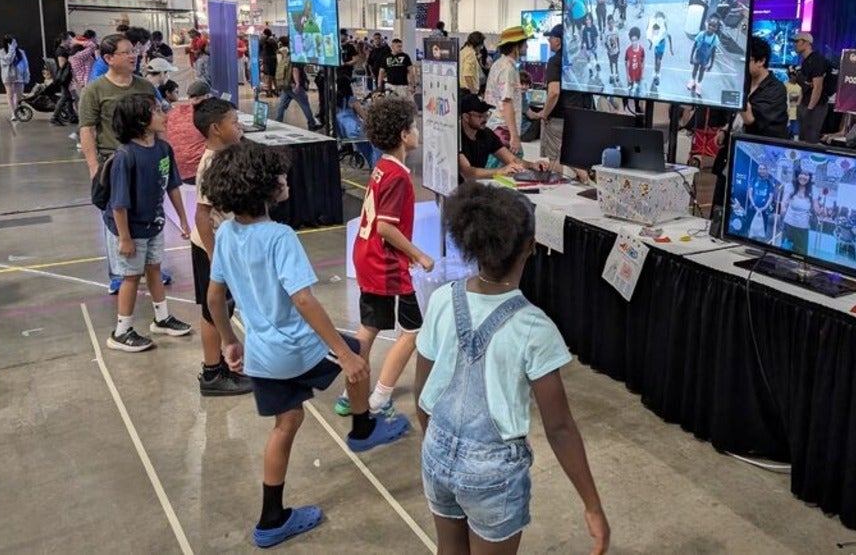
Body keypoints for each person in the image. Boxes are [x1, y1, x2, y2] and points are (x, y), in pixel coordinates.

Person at [201, 141, 409, 548]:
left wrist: (229, 341)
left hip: (261, 354)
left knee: (288, 422)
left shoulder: (225, 233)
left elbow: (213, 298)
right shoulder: (280, 237)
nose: (285, 179)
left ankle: (272, 518)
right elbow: (303, 299)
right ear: (263, 187)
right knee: (358, 356)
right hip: (299, 348)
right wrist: (345, 354)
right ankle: (363, 427)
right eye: (279, 175)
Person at [414, 182, 609, 554]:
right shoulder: (534, 327)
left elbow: (423, 391)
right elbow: (560, 427)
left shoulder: (442, 299)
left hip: (436, 451)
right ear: (530, 248)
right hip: (493, 474)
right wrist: (592, 505)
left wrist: (437, 449)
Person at [338, 97, 433, 419]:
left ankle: (352, 391)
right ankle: (379, 397)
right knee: (414, 332)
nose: (418, 131)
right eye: (414, 126)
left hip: (367, 258)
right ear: (404, 135)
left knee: (370, 325)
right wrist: (418, 254)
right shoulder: (398, 176)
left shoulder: (382, 167)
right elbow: (385, 228)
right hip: (385, 263)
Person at [103, 93, 192, 351]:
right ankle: (121, 331)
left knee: (154, 268)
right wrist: (124, 238)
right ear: (141, 121)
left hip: (153, 224)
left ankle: (162, 318)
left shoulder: (163, 149)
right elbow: (119, 204)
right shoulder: (125, 157)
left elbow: (173, 185)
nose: (164, 115)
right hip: (130, 228)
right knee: (131, 277)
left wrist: (183, 220)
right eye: (157, 111)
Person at [79, 34, 163, 295]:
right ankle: (119, 273)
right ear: (108, 58)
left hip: (146, 163)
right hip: (114, 163)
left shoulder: (145, 87)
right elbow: (87, 129)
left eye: (133, 51)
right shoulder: (94, 90)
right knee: (117, 220)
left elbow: (159, 121)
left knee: (150, 215)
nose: (132, 56)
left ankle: (151, 265)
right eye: (126, 52)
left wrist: (163, 154)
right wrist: (94, 166)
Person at [189, 97, 253, 396]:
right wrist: (216, 258)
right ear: (216, 129)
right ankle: (213, 372)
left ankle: (226, 365)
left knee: (224, 307)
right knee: (212, 310)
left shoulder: (227, 155)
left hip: (226, 247)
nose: (238, 125)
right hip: (211, 249)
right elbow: (202, 215)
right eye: (233, 122)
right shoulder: (210, 165)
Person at [528, 25, 593, 176]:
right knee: (574, 156)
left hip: (559, 118)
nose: (549, 42)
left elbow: (553, 92)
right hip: (581, 117)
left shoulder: (555, 61)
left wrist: (544, 113)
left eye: (550, 38)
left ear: (558, 41)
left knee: (556, 161)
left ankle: (581, 177)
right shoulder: (580, 58)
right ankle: (585, 176)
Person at [459, 93, 548, 182]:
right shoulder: (456, 139)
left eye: (487, 114)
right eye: (480, 116)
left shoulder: (486, 134)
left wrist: (532, 165)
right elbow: (467, 172)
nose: (485, 119)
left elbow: (511, 159)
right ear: (466, 117)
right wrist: (501, 171)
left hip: (471, 186)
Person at [484, 26, 528, 157]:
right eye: (525, 44)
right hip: (504, 128)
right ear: (516, 47)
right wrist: (514, 136)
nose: (527, 47)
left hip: (495, 124)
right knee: (513, 166)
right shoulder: (508, 69)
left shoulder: (499, 64)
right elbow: (507, 103)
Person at [741, 37, 790, 139]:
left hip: (763, 146)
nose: (742, 64)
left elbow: (753, 121)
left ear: (761, 61)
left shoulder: (776, 89)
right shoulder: (744, 82)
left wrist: (739, 99)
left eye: (746, 59)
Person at [165, 79, 213, 183]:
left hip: (174, 171)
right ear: (207, 97)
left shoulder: (173, 112)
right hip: (198, 172)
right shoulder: (208, 115)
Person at [793, 32, 832, 143]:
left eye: (797, 41)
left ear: (806, 43)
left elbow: (817, 87)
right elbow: (805, 85)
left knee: (810, 140)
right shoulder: (805, 61)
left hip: (816, 106)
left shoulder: (817, 60)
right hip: (805, 104)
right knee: (802, 138)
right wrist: (799, 104)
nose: (795, 44)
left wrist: (809, 109)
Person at [274, 52, 320, 131]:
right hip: (294, 85)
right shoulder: (297, 57)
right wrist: (297, 83)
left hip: (286, 84)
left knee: (282, 105)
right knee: (305, 104)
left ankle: (278, 121)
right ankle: (312, 123)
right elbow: (295, 70)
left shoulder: (287, 55)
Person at [780, 169, 818, 254]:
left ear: (809, 177)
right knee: (784, 252)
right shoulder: (790, 186)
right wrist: (783, 207)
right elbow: (784, 201)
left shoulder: (813, 189)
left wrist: (821, 211)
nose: (803, 177)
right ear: (797, 175)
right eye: (801, 174)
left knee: (800, 255)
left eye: (806, 174)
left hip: (803, 228)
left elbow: (816, 208)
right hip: (789, 225)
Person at [0, 35, 29, 120]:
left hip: (19, 76)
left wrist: (27, 76)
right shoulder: (1, 52)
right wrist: (11, 50)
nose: (14, 44)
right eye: (11, 43)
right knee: (10, 95)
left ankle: (18, 111)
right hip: (8, 77)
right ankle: (13, 113)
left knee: (18, 96)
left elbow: (25, 64)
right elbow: (8, 60)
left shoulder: (21, 52)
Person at [687, 17, 721, 97]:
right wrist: (691, 57)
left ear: (716, 28)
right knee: (695, 68)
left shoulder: (715, 38)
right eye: (710, 25)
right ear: (707, 25)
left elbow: (713, 52)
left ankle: (698, 84)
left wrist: (711, 64)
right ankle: (692, 81)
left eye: (713, 26)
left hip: (705, 58)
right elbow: (694, 45)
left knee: (702, 71)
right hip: (698, 56)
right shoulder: (701, 34)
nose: (711, 27)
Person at [744, 165, 777, 243]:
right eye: (760, 169)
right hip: (752, 208)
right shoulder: (753, 180)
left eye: (764, 169)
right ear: (758, 170)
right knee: (750, 229)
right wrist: (754, 205)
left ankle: (759, 245)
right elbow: (750, 194)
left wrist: (764, 207)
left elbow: (770, 197)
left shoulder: (770, 183)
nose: (762, 171)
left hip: (764, 211)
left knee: (762, 231)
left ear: (766, 170)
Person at [49, 48, 77, 126]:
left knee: (68, 97)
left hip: (64, 79)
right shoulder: (61, 52)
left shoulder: (64, 53)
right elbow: (62, 66)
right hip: (64, 80)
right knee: (65, 97)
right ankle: (54, 117)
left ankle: (72, 116)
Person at [648, 13, 673, 89]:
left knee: (659, 60)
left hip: (661, 47)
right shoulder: (655, 29)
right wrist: (651, 45)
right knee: (656, 60)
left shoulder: (664, 31)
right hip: (656, 46)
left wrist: (671, 48)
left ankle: (657, 75)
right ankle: (655, 71)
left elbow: (669, 37)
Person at [624, 27, 645, 97]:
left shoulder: (641, 50)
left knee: (638, 93)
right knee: (630, 93)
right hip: (631, 76)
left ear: (638, 39)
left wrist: (642, 73)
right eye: (632, 40)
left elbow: (643, 61)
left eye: (635, 40)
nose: (634, 42)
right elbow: (626, 63)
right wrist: (627, 76)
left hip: (638, 76)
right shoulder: (628, 50)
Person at [261, 29, 279, 97]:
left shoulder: (266, 41)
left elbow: (264, 49)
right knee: (274, 76)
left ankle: (269, 92)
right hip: (274, 59)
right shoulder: (274, 40)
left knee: (269, 76)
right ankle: (277, 91)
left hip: (268, 60)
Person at [785, 71, 802, 138]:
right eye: (794, 75)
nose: (796, 77)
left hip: (796, 114)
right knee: (787, 133)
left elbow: (800, 98)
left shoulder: (799, 87)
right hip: (787, 114)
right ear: (791, 75)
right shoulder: (785, 85)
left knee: (796, 133)